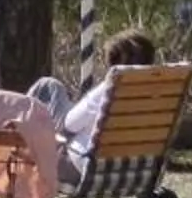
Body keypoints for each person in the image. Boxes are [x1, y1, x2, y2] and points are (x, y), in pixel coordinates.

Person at [32, 28, 157, 185]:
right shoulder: (162, 93)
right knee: (51, 87)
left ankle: (7, 149)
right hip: (136, 173)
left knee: (48, 86)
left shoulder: (110, 88)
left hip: (83, 170)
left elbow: (69, 124)